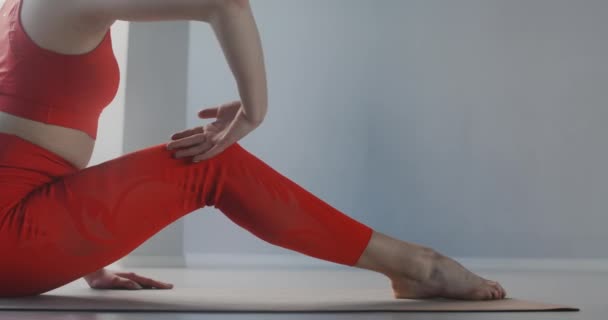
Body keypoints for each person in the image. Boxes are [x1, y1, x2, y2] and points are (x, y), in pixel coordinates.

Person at [0, 0, 506, 299]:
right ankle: (417, 266)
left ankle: (412, 266)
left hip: (21, 226)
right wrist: (252, 111)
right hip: (12, 238)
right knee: (210, 164)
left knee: (197, 160)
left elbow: (31, 143)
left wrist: (90, 258)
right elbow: (227, 3)